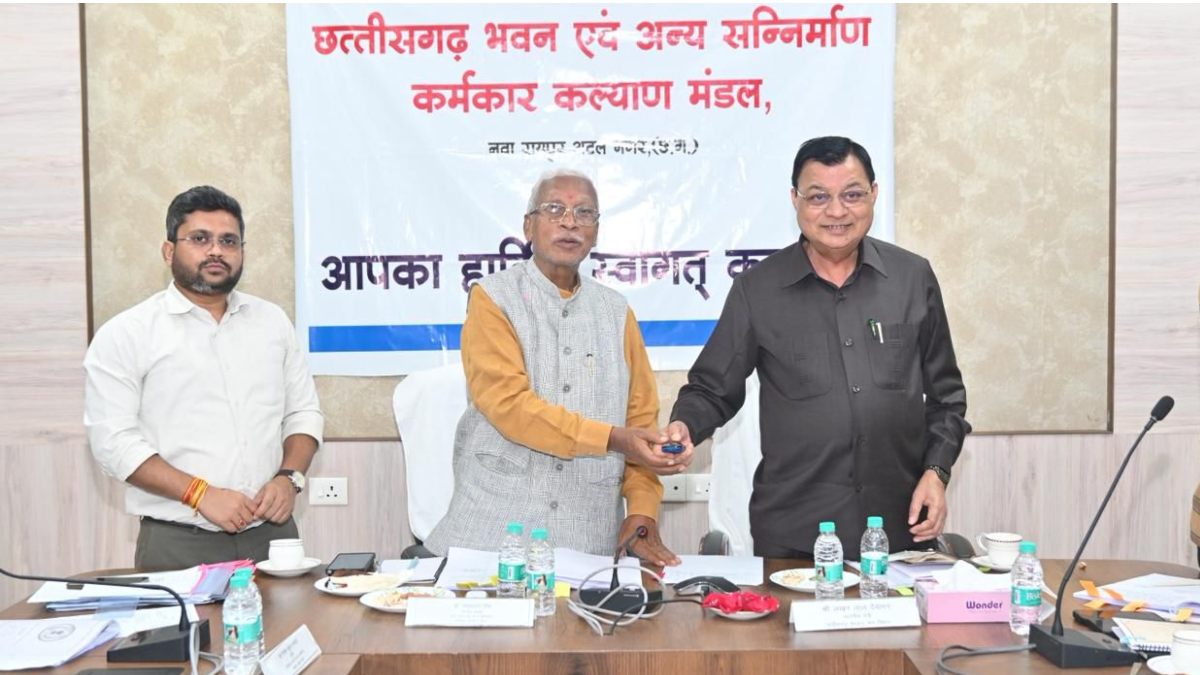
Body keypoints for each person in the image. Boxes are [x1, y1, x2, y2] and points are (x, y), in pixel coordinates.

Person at [665, 136, 971, 558]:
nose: (837, 211)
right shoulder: (758, 290)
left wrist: (936, 472)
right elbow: (712, 388)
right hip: (794, 538)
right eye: (818, 197)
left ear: (874, 194)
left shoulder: (912, 279)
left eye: (852, 195)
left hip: (898, 533)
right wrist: (685, 426)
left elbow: (947, 399)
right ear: (795, 200)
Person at [423, 169, 692, 565]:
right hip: (492, 538)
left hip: (587, 542)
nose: (570, 222)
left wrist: (641, 513)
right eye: (554, 209)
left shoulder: (616, 312)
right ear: (528, 226)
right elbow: (511, 407)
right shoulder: (492, 299)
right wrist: (613, 439)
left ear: (596, 232)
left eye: (584, 212)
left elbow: (640, 421)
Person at [84, 185, 324, 570]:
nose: (216, 250)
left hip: (273, 536)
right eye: (199, 239)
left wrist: (289, 478)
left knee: (292, 616)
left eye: (228, 241)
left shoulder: (272, 322)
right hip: (178, 542)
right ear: (169, 251)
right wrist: (200, 494)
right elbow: (113, 442)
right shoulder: (127, 333)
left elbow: (303, 413)